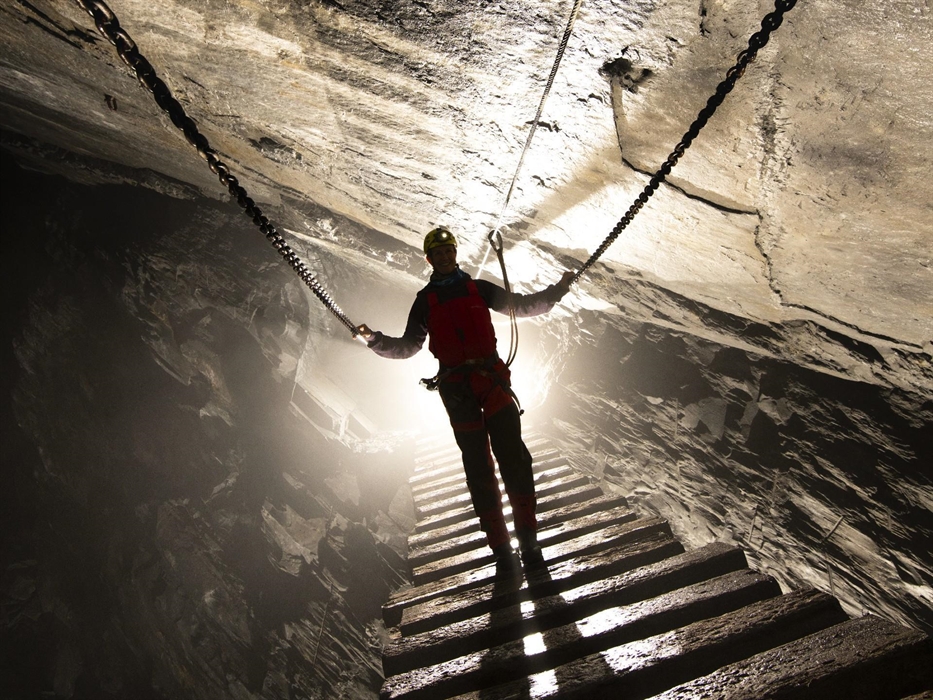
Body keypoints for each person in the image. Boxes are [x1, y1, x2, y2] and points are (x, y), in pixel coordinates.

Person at [357, 226, 574, 569]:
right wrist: (374, 339)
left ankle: (529, 542)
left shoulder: (479, 289)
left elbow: (521, 306)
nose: (445, 257)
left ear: (455, 254)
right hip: (459, 392)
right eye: (437, 253)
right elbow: (408, 346)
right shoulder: (425, 301)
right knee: (479, 470)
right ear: (429, 259)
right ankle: (502, 549)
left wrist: (558, 291)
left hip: (492, 384)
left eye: (449, 251)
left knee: (515, 461)